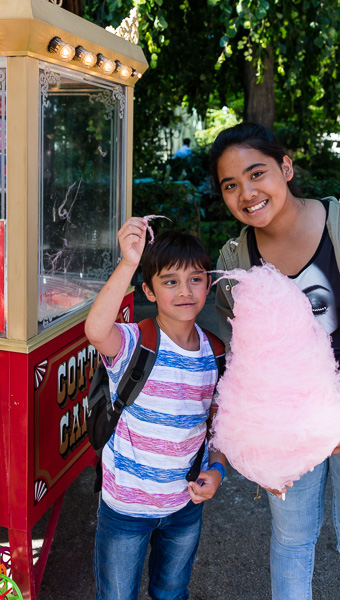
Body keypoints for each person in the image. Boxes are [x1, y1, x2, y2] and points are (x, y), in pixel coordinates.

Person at [209, 122, 340, 600]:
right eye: (230, 185)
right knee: (291, 542)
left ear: (285, 168)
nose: (246, 193)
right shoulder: (235, 263)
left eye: (257, 173)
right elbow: (240, 358)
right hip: (286, 431)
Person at [85, 218, 226, 600]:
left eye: (195, 279)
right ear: (149, 290)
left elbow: (219, 428)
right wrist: (129, 261)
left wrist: (217, 470)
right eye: (170, 282)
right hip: (126, 508)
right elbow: (97, 330)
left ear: (208, 285)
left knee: (172, 592)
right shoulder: (135, 342)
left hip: (184, 506)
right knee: (117, 595)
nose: (185, 291)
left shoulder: (216, 354)